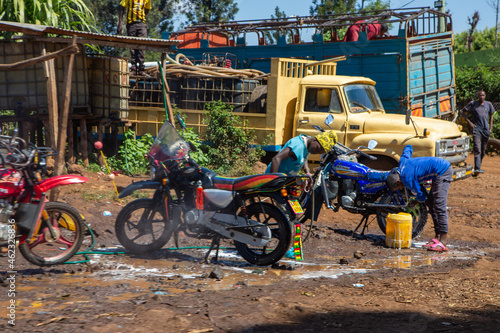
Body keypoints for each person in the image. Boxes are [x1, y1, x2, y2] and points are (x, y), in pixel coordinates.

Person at [266, 131, 337, 259]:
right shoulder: (297, 145)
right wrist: (273, 184)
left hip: (287, 183)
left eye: (320, 152)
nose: (316, 152)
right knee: (288, 216)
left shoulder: (308, 146)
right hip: (276, 182)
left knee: (295, 214)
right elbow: (276, 159)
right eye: (317, 148)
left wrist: (307, 172)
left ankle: (294, 248)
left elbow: (303, 158)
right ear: (315, 140)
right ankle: (286, 249)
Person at [385, 144, 453, 252]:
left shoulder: (407, 179)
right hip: (437, 171)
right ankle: (437, 237)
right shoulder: (402, 162)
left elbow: (421, 196)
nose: (400, 189)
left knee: (439, 205)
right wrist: (408, 144)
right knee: (431, 203)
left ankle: (443, 242)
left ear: (398, 182)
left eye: (398, 187)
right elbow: (408, 149)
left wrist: (415, 202)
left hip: (443, 171)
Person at [460, 90, 495, 175]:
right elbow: (462, 112)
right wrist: (470, 123)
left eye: (483, 95)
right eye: (480, 95)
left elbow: (491, 117)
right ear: (478, 96)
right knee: (477, 149)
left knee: (483, 151)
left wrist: (490, 128)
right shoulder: (473, 104)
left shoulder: (488, 104)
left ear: (485, 96)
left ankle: (478, 167)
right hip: (477, 129)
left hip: (485, 130)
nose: (481, 97)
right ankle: (477, 169)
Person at [117, 0, 151, 76]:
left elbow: (147, 9)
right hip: (131, 24)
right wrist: (120, 23)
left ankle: (141, 69)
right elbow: (122, 8)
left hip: (141, 24)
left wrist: (141, 16)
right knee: (132, 47)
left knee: (142, 46)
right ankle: (133, 68)